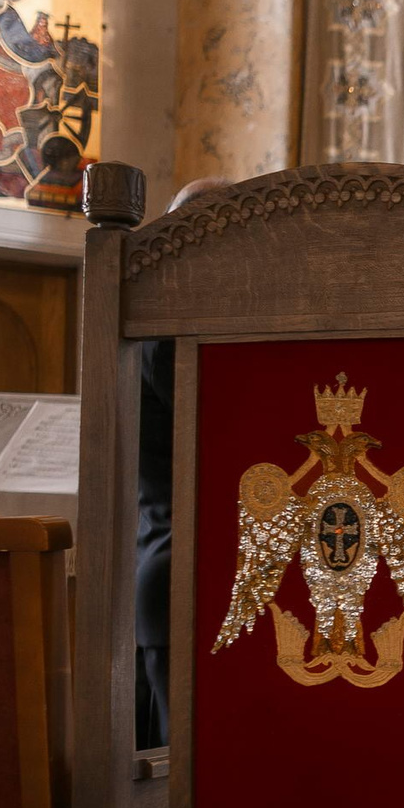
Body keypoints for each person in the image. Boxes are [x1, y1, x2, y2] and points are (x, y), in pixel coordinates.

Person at [132, 175, 232, 749]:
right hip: (183, 575)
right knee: (185, 789)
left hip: (196, 579)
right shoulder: (171, 331)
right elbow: (219, 434)